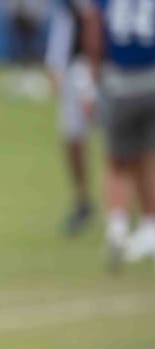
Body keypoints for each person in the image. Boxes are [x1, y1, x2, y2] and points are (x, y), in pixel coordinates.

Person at [82, 0, 155, 268]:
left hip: (121, 82)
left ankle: (118, 226)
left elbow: (94, 28)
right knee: (148, 157)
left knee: (117, 161)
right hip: (152, 78)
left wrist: (91, 80)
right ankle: (150, 227)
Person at [44, 0, 96, 234]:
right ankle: (83, 200)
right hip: (79, 70)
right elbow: (67, 21)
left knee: (131, 144)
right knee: (72, 137)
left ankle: (144, 210)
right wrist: (55, 63)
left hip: (115, 69)